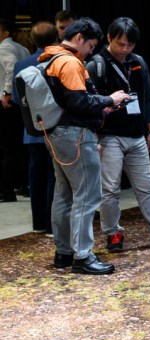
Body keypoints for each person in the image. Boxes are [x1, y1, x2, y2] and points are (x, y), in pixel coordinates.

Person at [42, 17, 130, 274]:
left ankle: (64, 253)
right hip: (75, 136)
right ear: (79, 38)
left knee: (64, 194)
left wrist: (103, 105)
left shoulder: (50, 58)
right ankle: (82, 256)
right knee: (88, 194)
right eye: (91, 45)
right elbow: (79, 102)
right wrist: (109, 98)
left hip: (56, 134)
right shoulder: (69, 61)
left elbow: (73, 101)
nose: (91, 51)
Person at [86, 17, 150, 253]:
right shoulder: (96, 64)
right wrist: (95, 138)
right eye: (120, 44)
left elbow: (147, 96)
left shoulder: (138, 62)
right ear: (109, 38)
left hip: (137, 135)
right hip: (109, 136)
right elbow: (88, 104)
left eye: (130, 45)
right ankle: (113, 233)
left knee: (147, 186)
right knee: (110, 189)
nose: (125, 49)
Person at [12, 21, 58, 233]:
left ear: (32, 40)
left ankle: (38, 223)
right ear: (56, 38)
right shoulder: (59, 61)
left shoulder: (21, 64)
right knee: (53, 176)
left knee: (35, 175)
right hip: (55, 128)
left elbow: (15, 97)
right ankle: (51, 225)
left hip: (31, 128)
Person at [0, 18, 30, 202]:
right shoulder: (23, 48)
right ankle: (23, 185)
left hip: (6, 103)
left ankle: (6, 190)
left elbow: (11, 69)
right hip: (20, 103)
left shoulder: (4, 48)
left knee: (5, 148)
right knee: (18, 147)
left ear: (6, 33)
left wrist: (7, 92)